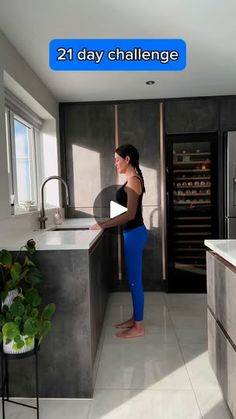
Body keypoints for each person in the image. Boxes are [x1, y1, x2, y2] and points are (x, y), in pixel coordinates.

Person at [90, 144, 148, 339]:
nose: (115, 163)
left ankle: (139, 327)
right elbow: (124, 210)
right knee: (132, 280)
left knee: (134, 281)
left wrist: (104, 224)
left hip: (135, 234)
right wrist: (107, 220)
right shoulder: (130, 181)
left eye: (117, 159)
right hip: (131, 234)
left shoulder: (133, 181)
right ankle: (135, 318)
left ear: (127, 159)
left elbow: (130, 214)